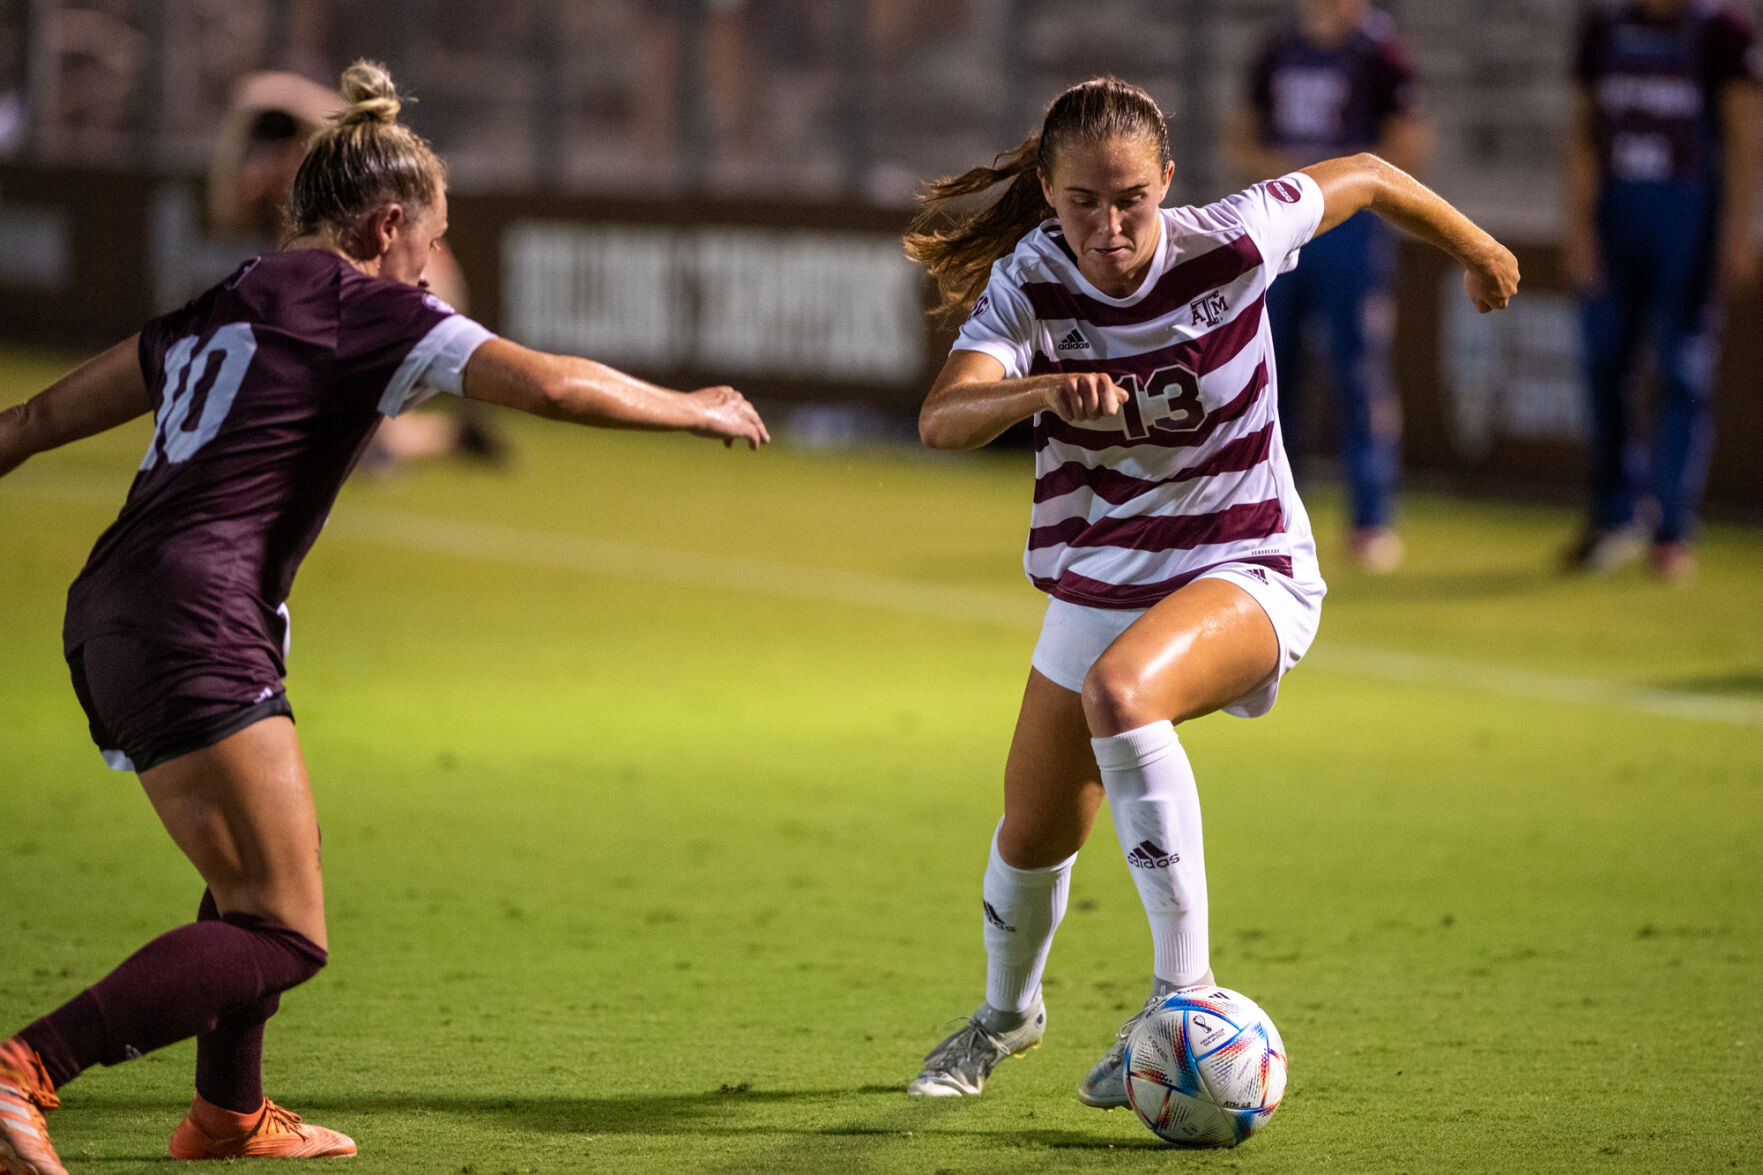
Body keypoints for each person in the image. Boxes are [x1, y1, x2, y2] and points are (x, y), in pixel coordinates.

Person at [0, 60, 768, 1175]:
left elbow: (38, 416)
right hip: (196, 618)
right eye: (432, 237)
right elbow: (547, 385)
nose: (432, 263)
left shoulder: (228, 297)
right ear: (391, 223)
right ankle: (26, 1067)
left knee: (247, 873)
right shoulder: (376, 310)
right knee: (282, 927)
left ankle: (228, 1111)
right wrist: (690, 407)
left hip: (115, 606)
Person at [899, 77, 1515, 1103]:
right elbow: (941, 419)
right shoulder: (1030, 280)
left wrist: (1476, 248)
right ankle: (1006, 1019)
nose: (1108, 224)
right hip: (1101, 575)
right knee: (1031, 832)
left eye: (1130, 197)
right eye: (1083, 201)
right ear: (1049, 193)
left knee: (1120, 692)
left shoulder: (1230, 239)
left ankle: (1179, 997)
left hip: (1246, 561)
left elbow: (1361, 174)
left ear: (1166, 183)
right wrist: (1040, 388)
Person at [209, 69, 506, 471]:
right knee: (333, 433)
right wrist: (236, 125)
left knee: (336, 437)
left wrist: (289, 94)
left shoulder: (346, 182)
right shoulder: (282, 199)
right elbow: (225, 210)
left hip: (420, 289)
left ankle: (400, 439)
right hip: (368, 306)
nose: (279, 163)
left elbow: (363, 128)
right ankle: (449, 437)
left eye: (290, 148)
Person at [1562, 0, 1761, 582]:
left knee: (1682, 374)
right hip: (1617, 221)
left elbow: (1744, 136)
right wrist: (1578, 228)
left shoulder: (1723, 32)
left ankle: (1673, 529)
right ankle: (1613, 513)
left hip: (1689, 229)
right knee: (1603, 366)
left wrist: (1736, 234)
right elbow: (1581, 134)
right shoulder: (1603, 27)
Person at [1230, 0, 1430, 573]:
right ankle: (1273, 516)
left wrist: (1343, 183)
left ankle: (1371, 518)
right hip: (1283, 231)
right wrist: (1290, 174)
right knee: (1273, 372)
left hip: (1351, 236)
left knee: (1359, 373)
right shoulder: (1277, 49)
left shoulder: (1381, 53)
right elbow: (1242, 137)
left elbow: (1410, 146)